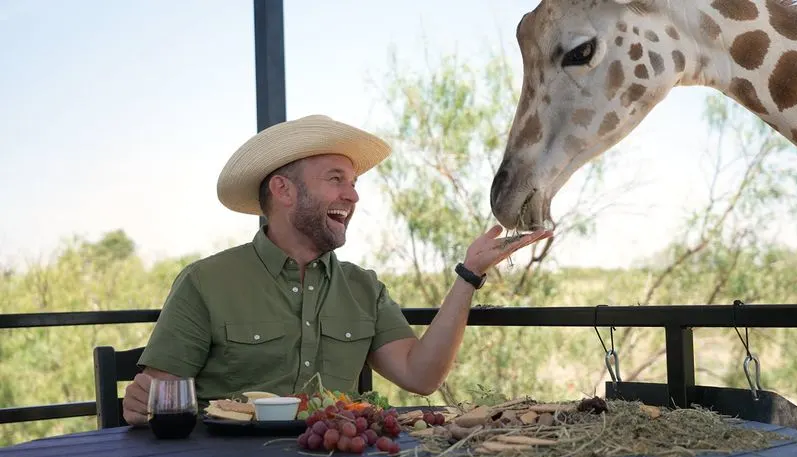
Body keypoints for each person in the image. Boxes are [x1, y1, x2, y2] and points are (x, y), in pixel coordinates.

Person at [122, 114, 552, 426]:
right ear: (283, 189)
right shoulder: (205, 283)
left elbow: (421, 376)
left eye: (353, 183)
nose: (352, 196)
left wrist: (469, 275)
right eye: (335, 179)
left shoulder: (363, 288)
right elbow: (155, 400)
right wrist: (141, 405)